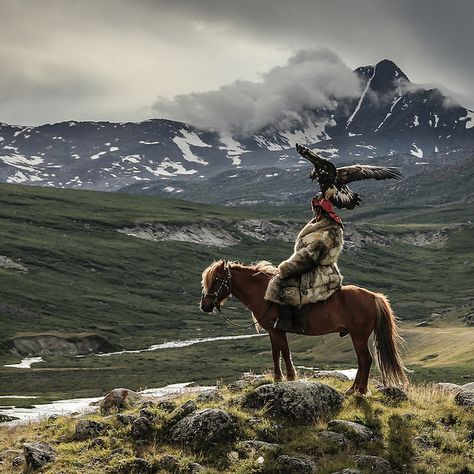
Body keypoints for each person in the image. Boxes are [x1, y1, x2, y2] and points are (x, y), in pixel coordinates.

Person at [264, 194, 344, 332]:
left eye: (316, 210)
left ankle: (295, 324)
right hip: (312, 266)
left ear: (321, 212)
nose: (314, 212)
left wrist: (286, 268)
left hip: (319, 270)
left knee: (284, 283)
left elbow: (310, 256)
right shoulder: (319, 226)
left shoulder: (328, 232)